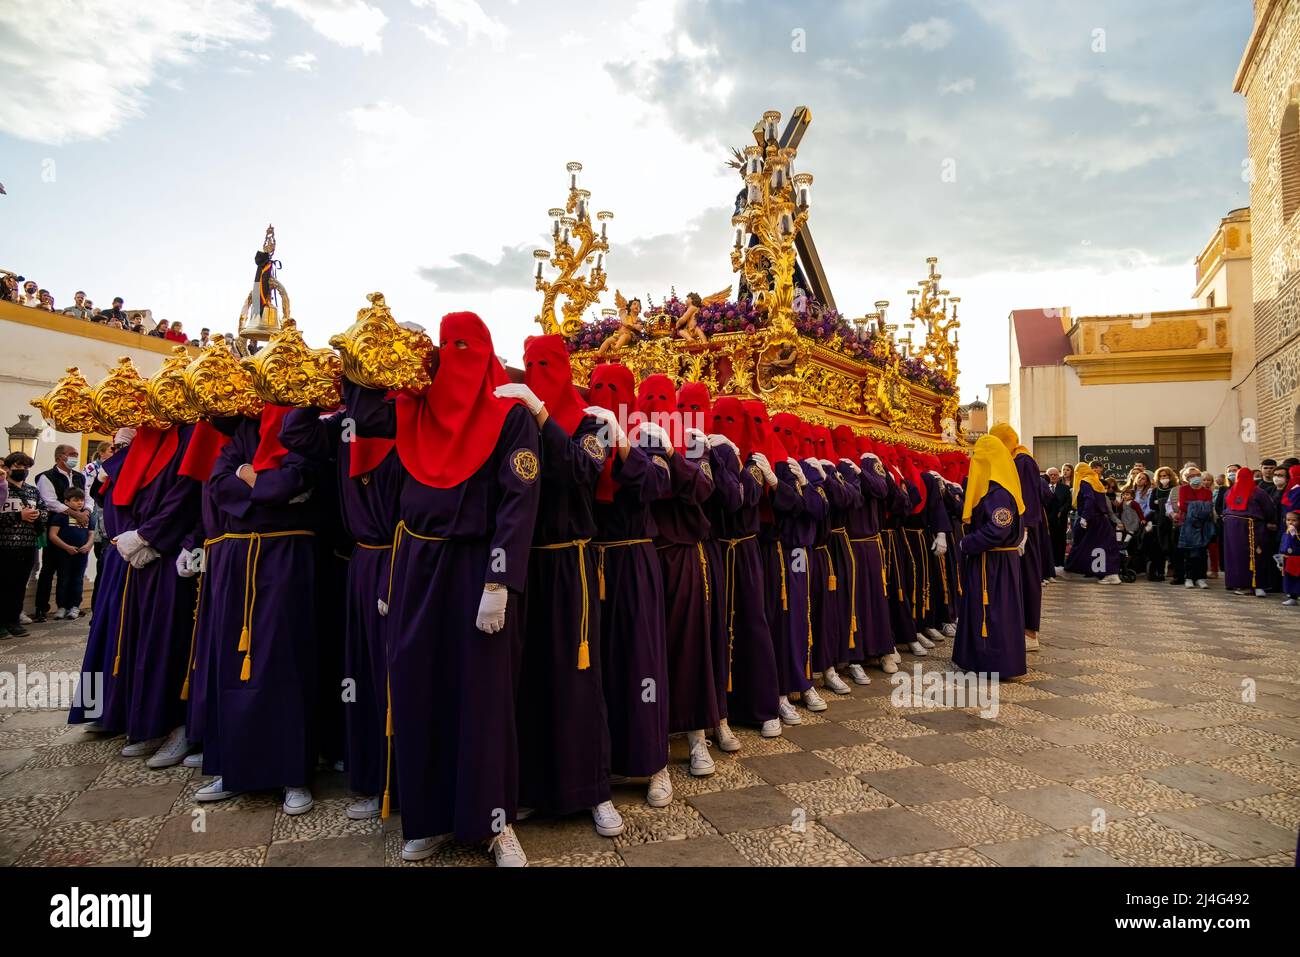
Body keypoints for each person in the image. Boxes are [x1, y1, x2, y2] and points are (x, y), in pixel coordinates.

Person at [350, 311, 541, 866]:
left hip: (478, 566)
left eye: (464, 346)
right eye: (443, 346)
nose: (452, 357)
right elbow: (362, 416)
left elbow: (518, 502)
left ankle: (494, 822)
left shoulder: (510, 417)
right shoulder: (414, 408)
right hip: (415, 561)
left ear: (483, 353)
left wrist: (499, 581)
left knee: (484, 695)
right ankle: (427, 816)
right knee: (418, 685)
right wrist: (374, 353)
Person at [493, 334, 622, 837]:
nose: (538, 370)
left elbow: (580, 471)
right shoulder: (515, 416)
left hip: (571, 563)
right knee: (528, 678)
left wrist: (543, 415)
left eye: (547, 363)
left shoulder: (593, 421)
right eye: (530, 365)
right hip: (525, 562)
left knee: (578, 676)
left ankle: (594, 790)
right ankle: (534, 788)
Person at [192, 404, 322, 817]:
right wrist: (262, 487)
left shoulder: (308, 428)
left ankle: (292, 773)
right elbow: (219, 481)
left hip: (286, 555)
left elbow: (295, 481)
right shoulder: (246, 429)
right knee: (230, 660)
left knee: (283, 661)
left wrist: (254, 480)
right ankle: (236, 767)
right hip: (237, 556)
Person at [584, 362, 673, 812]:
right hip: (590, 559)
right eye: (596, 386)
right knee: (596, 665)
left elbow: (657, 482)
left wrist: (621, 443)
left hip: (634, 558)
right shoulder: (585, 426)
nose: (603, 394)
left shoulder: (649, 434)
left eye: (612, 388)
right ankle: (599, 763)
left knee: (641, 660)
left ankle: (652, 762)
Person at [952, 435, 1026, 680]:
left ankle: (993, 660)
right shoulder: (995, 490)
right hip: (994, 561)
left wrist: (967, 543)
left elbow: (998, 529)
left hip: (992, 562)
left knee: (993, 611)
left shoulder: (997, 494)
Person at [990, 424, 1044, 651]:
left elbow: (1029, 497)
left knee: (1028, 577)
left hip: (1023, 531)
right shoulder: (1014, 459)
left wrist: (1026, 530)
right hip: (1016, 530)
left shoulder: (1023, 460)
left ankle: (1030, 633)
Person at [32, 445, 88, 622]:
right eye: (71, 455)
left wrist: (86, 511)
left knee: (74, 571)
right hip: (56, 526)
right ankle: (41, 607)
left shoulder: (79, 477)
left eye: (76, 455)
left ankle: (72, 604)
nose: (75, 457)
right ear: (60, 457)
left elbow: (88, 496)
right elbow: (49, 500)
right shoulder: (46, 476)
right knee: (49, 569)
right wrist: (73, 512)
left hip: (78, 527)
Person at [1, 454, 46, 638]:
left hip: (27, 545)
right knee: (3, 585)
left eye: (27, 467)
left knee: (19, 585)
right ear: (9, 467)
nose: (23, 470)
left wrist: (37, 516)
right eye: (19, 465)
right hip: (5, 544)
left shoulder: (32, 491)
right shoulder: (3, 489)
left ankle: (13, 621)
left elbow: (44, 511)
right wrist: (19, 516)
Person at [1222, 464, 1274, 598]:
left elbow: (1224, 509)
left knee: (1247, 555)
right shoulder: (1259, 492)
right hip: (1249, 525)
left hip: (1239, 528)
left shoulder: (1230, 491)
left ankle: (1252, 585)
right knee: (1248, 556)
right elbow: (1269, 510)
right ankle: (1255, 586)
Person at [1064, 462, 1120, 583]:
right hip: (1101, 519)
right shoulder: (1096, 481)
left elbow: (1089, 499)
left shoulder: (1085, 481)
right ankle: (1110, 573)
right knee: (1103, 545)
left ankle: (1071, 568)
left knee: (1082, 544)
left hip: (1091, 519)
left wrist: (1084, 517)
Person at [47, 487, 92, 619]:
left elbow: (91, 534)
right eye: (76, 500)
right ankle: (62, 607)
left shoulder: (86, 516)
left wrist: (88, 546)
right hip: (64, 554)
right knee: (63, 579)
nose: (80, 503)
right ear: (66, 502)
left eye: (82, 500)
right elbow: (53, 535)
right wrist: (66, 547)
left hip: (81, 554)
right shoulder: (60, 517)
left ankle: (75, 606)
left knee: (77, 580)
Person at [1176, 466, 1214, 589]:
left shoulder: (1207, 491)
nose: (1195, 477)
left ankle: (1201, 578)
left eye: (1197, 475)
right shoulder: (1183, 489)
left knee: (1202, 552)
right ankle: (1189, 577)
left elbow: (1208, 508)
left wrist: (1192, 506)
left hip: (1204, 524)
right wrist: (1199, 506)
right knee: (1189, 552)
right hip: (1188, 524)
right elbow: (1182, 506)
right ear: (1186, 478)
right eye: (1191, 476)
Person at [1044, 466, 1071, 573]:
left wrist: (1061, 511)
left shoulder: (1064, 488)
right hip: (1047, 520)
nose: (1053, 476)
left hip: (1060, 520)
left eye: (1055, 474)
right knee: (1048, 542)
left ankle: (1059, 562)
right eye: (1051, 475)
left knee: (1060, 542)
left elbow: (1068, 502)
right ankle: (1049, 563)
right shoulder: (1043, 487)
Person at [1278, 510, 1300, 606]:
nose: (1290, 522)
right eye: (1288, 520)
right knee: (1289, 579)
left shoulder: (1297, 534)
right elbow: (1282, 545)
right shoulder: (1285, 533)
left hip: (1297, 560)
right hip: (1287, 559)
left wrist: (1294, 535)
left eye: (1294, 520)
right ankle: (1292, 597)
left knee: (1297, 579)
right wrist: (1280, 557)